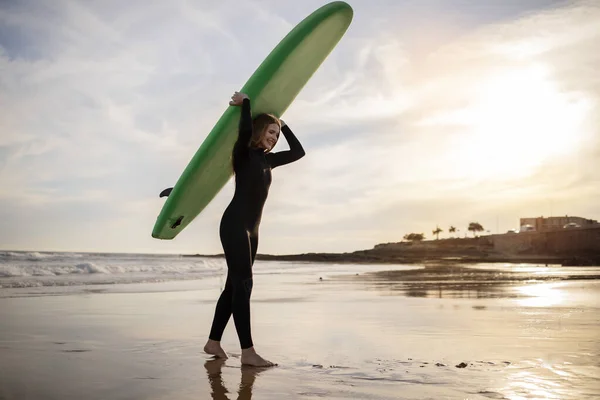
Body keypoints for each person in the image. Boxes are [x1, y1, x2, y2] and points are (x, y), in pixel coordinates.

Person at [203, 91, 305, 367]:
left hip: (253, 230)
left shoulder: (268, 161)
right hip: (235, 223)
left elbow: (299, 152)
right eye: (270, 132)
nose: (273, 138)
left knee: (234, 287)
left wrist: (284, 124)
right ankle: (248, 352)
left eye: (276, 135)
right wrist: (246, 102)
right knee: (244, 285)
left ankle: (213, 342)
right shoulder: (244, 153)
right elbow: (245, 128)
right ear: (259, 131)